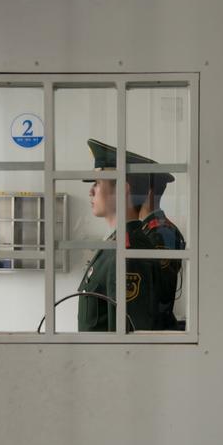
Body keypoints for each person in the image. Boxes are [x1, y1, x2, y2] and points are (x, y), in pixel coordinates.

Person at [76, 139, 158, 332]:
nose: (90, 191)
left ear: (122, 188)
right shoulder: (117, 244)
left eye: (97, 183)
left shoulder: (128, 251)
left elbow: (126, 340)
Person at [136, 172, 186, 330]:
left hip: (154, 328)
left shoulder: (161, 233)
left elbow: (159, 291)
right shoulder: (150, 229)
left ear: (148, 193)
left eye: (133, 189)